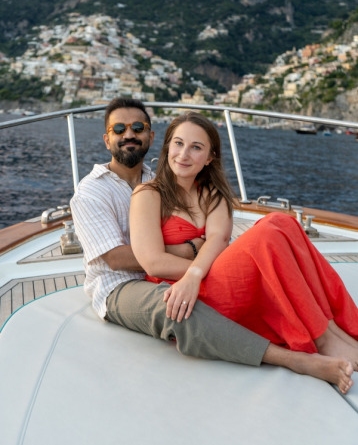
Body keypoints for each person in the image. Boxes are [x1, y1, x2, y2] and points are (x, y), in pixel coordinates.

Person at [70, 97, 354, 394]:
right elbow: (119, 259)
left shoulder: (169, 179)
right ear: (107, 139)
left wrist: (200, 263)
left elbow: (217, 239)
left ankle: (332, 329)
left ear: (152, 138)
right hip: (120, 286)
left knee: (283, 224)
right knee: (178, 310)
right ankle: (298, 357)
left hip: (195, 274)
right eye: (119, 129)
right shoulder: (97, 192)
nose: (129, 134)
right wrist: (191, 252)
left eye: (138, 127)